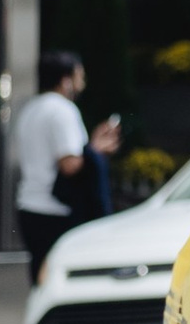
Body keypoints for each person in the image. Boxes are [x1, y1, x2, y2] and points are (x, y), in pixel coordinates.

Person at [13, 55, 120, 281]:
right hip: (55, 210)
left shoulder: (31, 108)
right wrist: (96, 149)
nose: (83, 83)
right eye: (79, 76)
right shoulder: (63, 110)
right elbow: (70, 164)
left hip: (29, 204)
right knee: (57, 278)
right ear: (66, 80)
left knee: (40, 275)